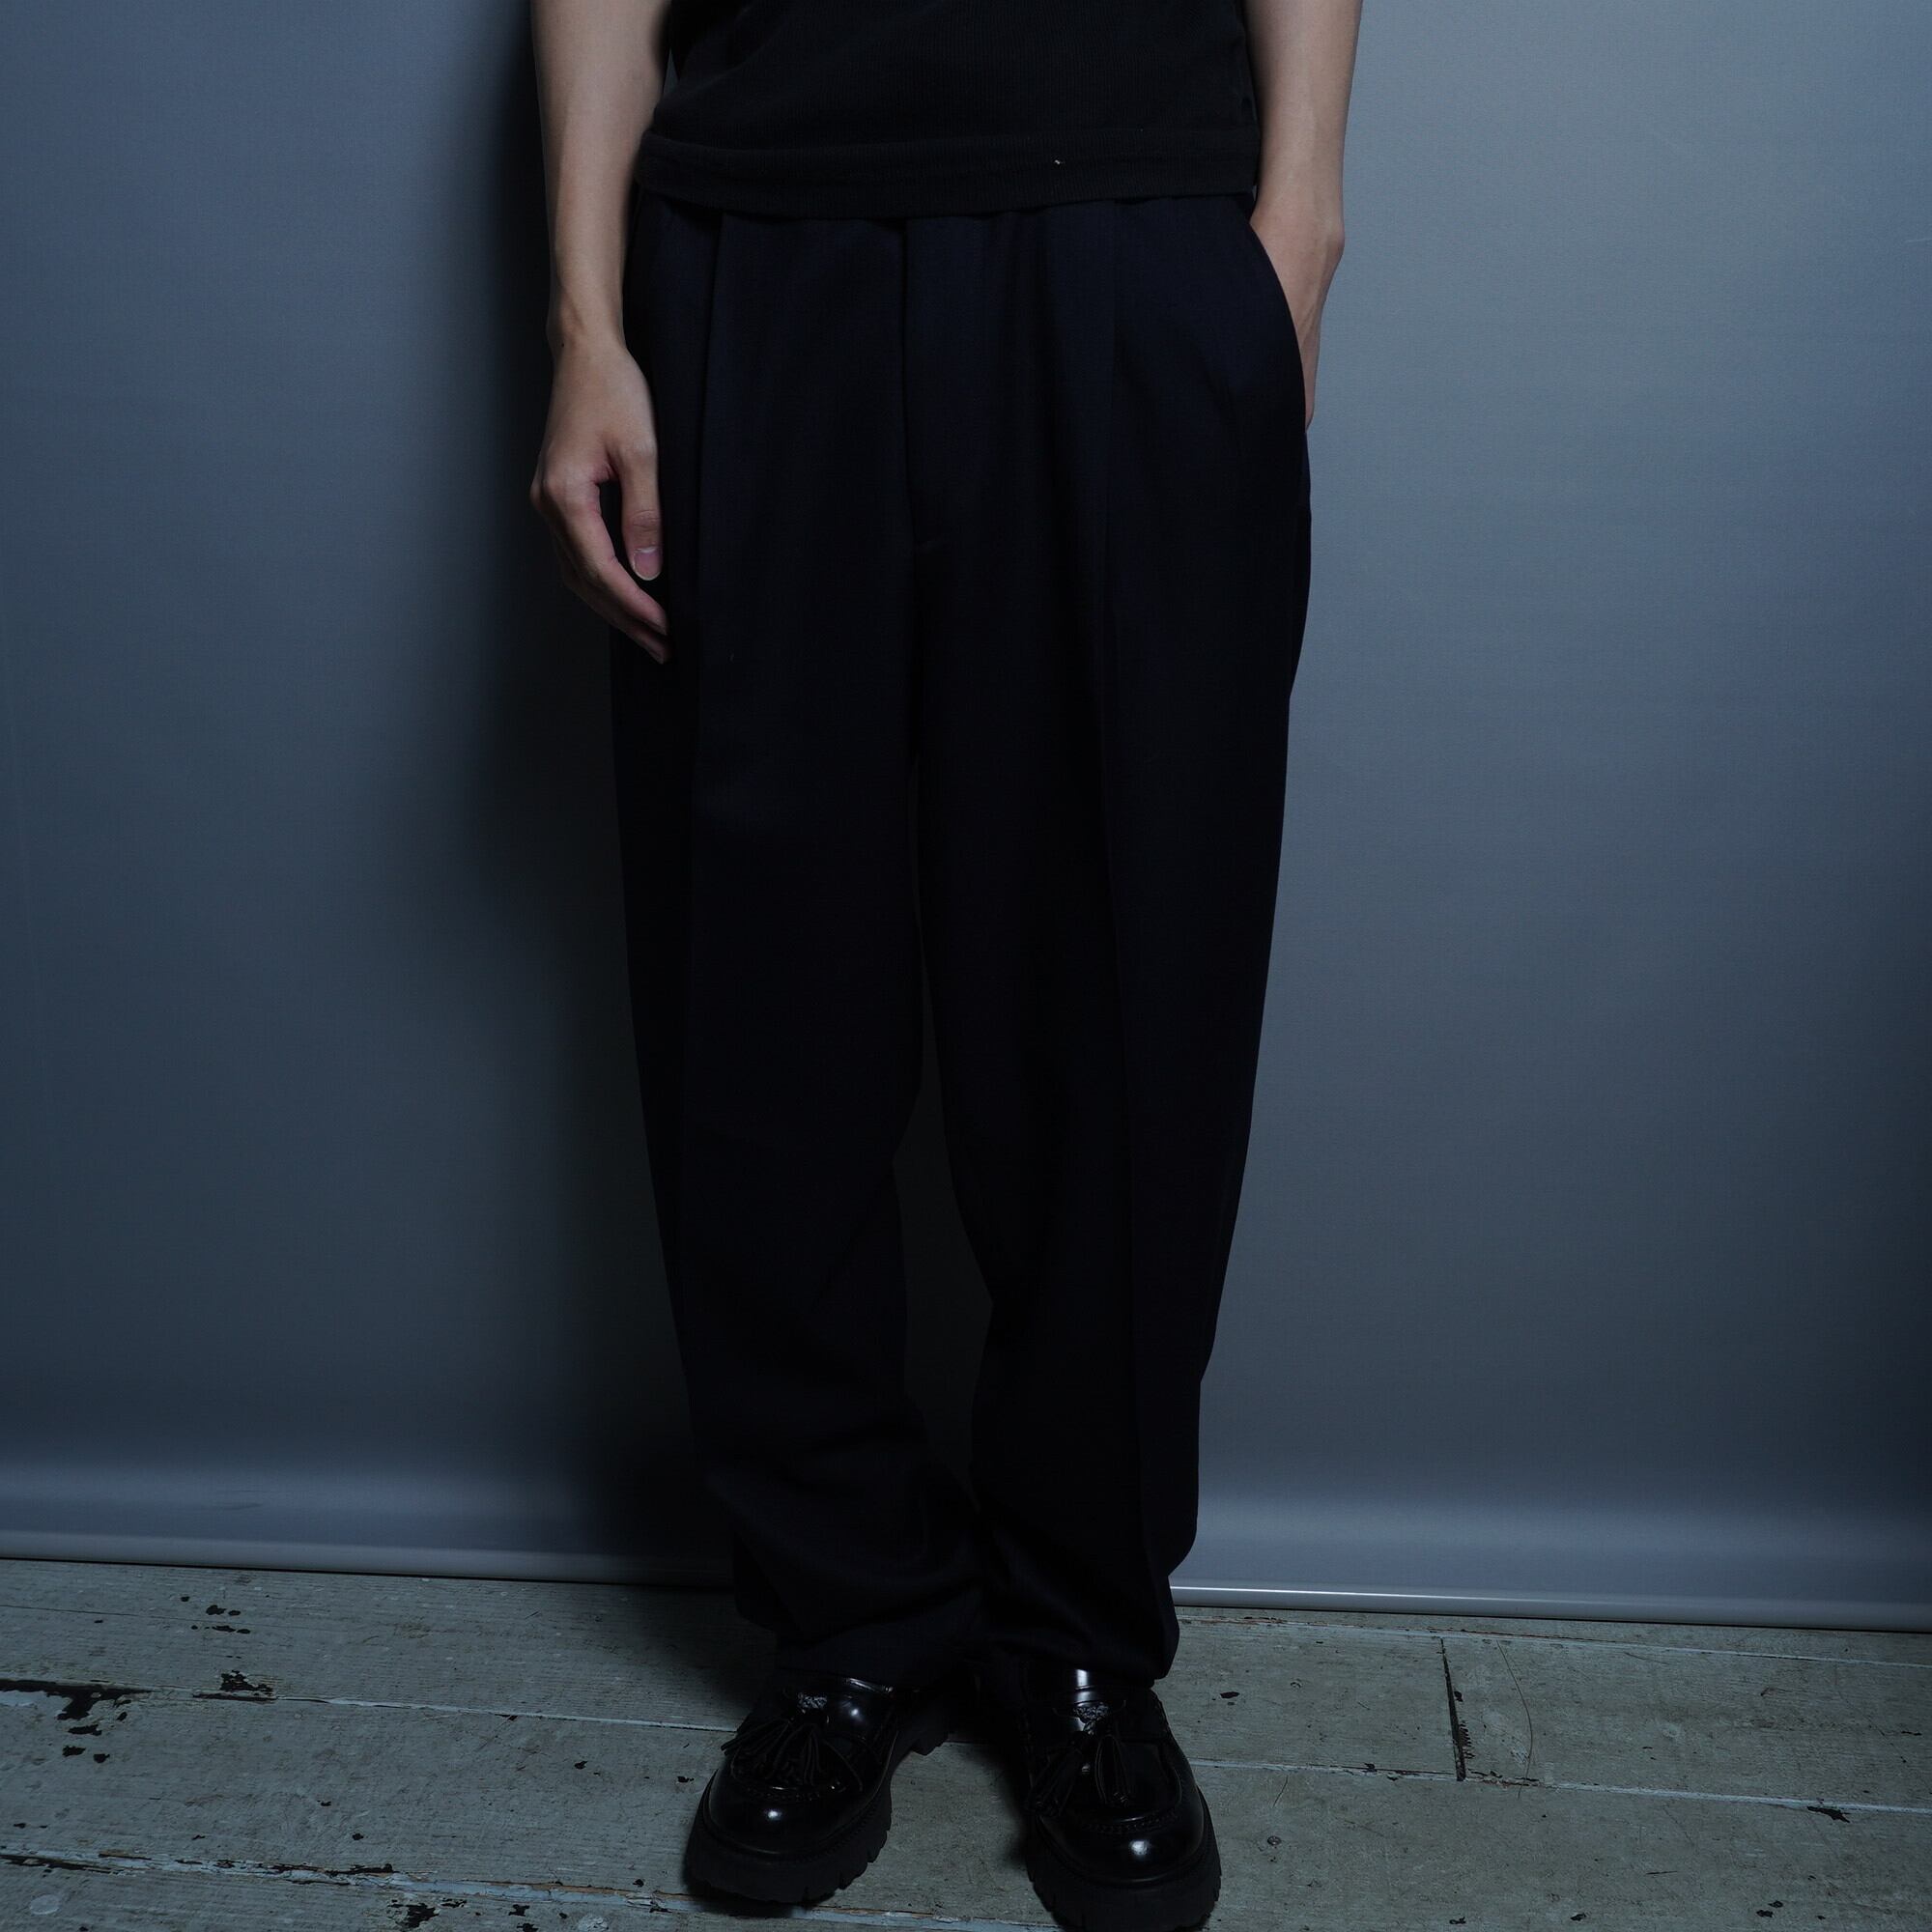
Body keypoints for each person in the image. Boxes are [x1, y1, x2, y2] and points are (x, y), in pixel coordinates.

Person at [528, 2, 1360, 1924]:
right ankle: (846, 1621)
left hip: (1131, 240)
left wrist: (1296, 229)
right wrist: (584, 320)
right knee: (758, 983)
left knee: (1130, 979)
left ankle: (1081, 1639)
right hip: (754, 247)